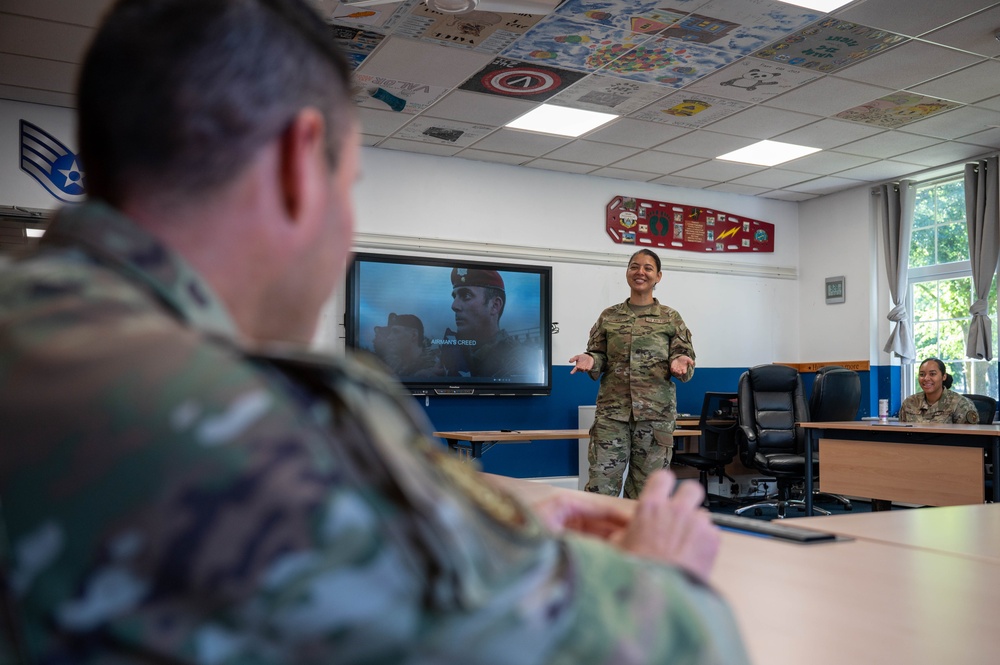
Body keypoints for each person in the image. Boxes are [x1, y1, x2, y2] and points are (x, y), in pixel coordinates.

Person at [0, 1, 749, 663]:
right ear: (300, 164)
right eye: (350, 185)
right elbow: (674, 646)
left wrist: (474, 522)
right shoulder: (254, 423)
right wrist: (660, 576)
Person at [569, 249, 696, 499]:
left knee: (647, 494)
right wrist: (590, 358)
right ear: (627, 272)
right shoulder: (610, 316)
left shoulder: (671, 318)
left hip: (655, 417)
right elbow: (599, 354)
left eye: (648, 268)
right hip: (612, 416)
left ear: (658, 276)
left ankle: (640, 539)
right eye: (634, 266)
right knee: (600, 488)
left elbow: (685, 361)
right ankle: (599, 538)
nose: (640, 272)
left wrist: (681, 362)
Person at [439, 267, 539, 381]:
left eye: (466, 296)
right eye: (454, 297)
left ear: (495, 306)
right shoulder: (453, 353)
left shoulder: (521, 359)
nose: (454, 306)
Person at [898, 357, 979, 423]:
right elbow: (900, 434)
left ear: (944, 376)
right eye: (922, 374)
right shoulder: (909, 403)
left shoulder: (961, 404)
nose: (926, 378)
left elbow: (968, 439)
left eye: (932, 374)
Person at [372, 312, 436, 378]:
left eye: (396, 332)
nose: (389, 337)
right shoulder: (393, 365)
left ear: (414, 335)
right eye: (390, 332)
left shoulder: (434, 366)